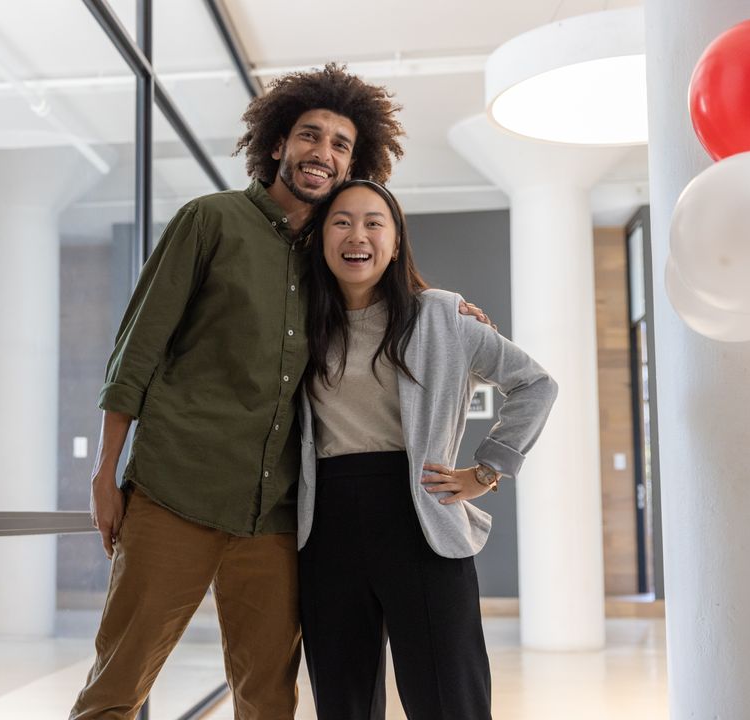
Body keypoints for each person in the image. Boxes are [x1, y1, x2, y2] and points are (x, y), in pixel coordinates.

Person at [70, 65, 490, 720]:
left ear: (356, 161)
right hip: (175, 493)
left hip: (273, 517)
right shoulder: (209, 222)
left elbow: (386, 287)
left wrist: (452, 313)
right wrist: (104, 471)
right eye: (310, 136)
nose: (323, 153)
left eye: (340, 145)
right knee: (117, 686)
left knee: (269, 699)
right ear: (276, 144)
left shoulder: (329, 257)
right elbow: (136, 352)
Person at [297, 179, 558, 719]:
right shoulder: (299, 323)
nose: (357, 234)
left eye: (374, 222)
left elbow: (535, 384)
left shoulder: (441, 315)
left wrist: (488, 470)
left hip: (421, 515)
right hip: (326, 524)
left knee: (450, 699)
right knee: (341, 701)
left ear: (395, 241)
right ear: (322, 238)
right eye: (341, 221)